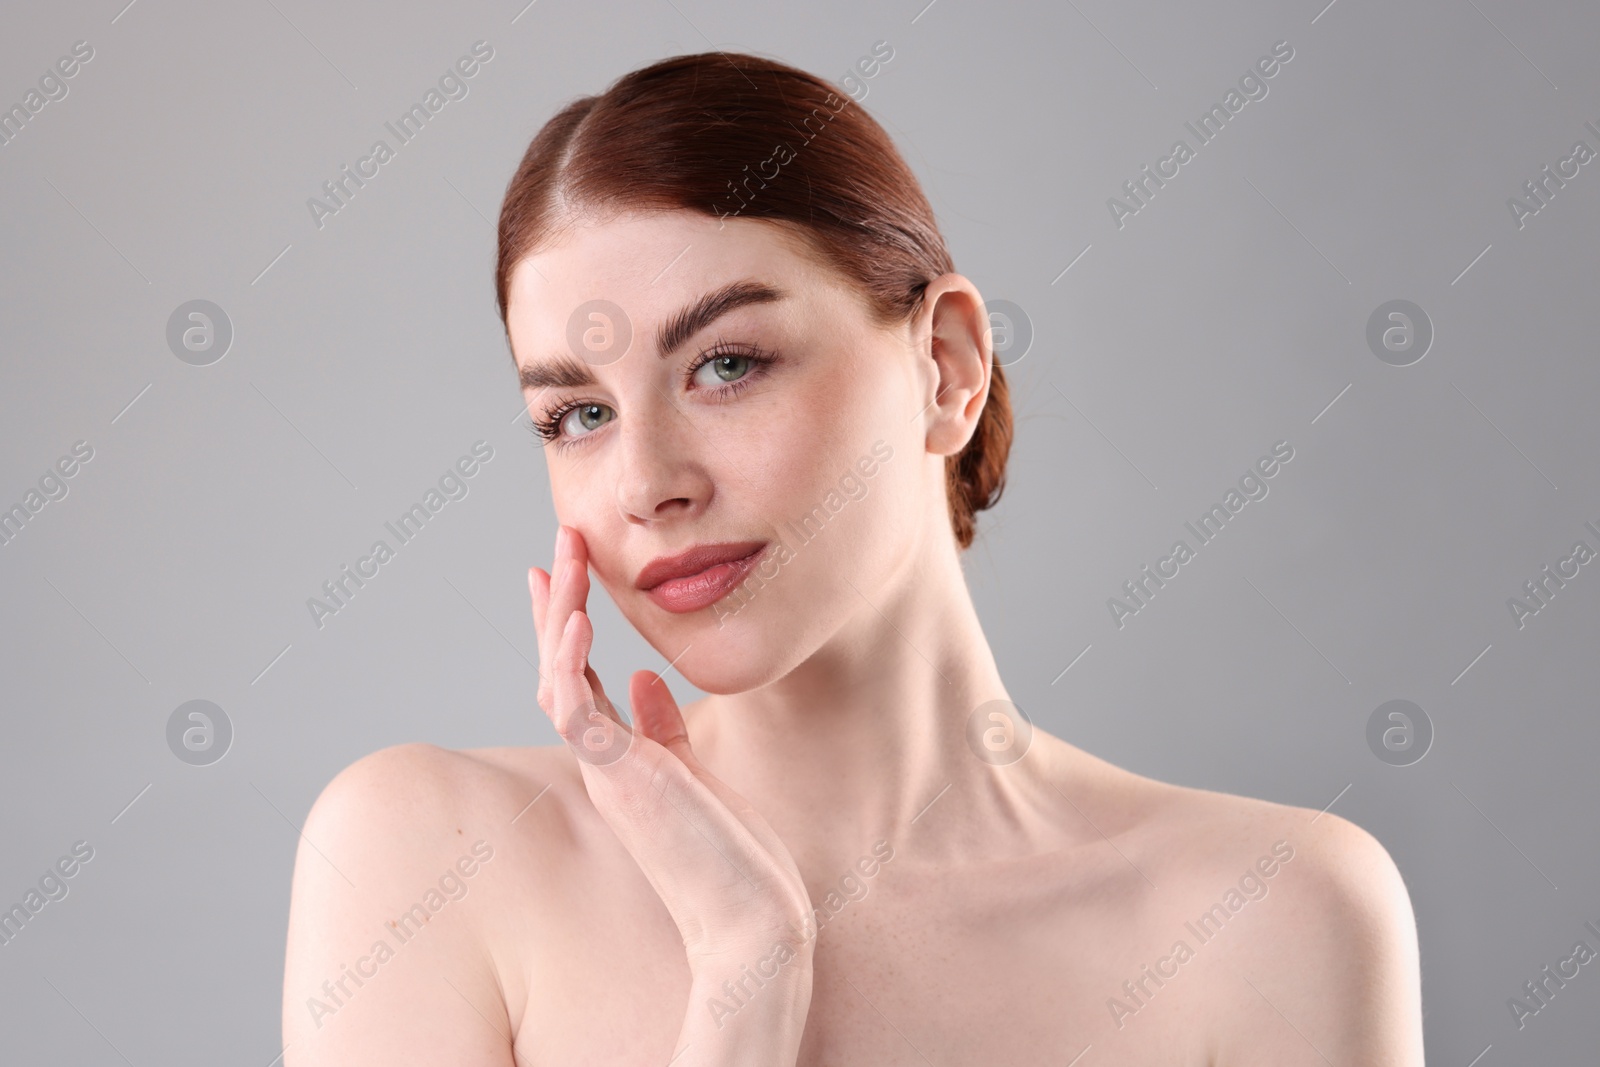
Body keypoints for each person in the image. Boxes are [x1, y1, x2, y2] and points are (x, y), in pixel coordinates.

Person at [281, 51, 1424, 1065]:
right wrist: (745, 979)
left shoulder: (1274, 914)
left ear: (945, 366)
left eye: (726, 363)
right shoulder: (427, 862)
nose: (647, 482)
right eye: (577, 415)